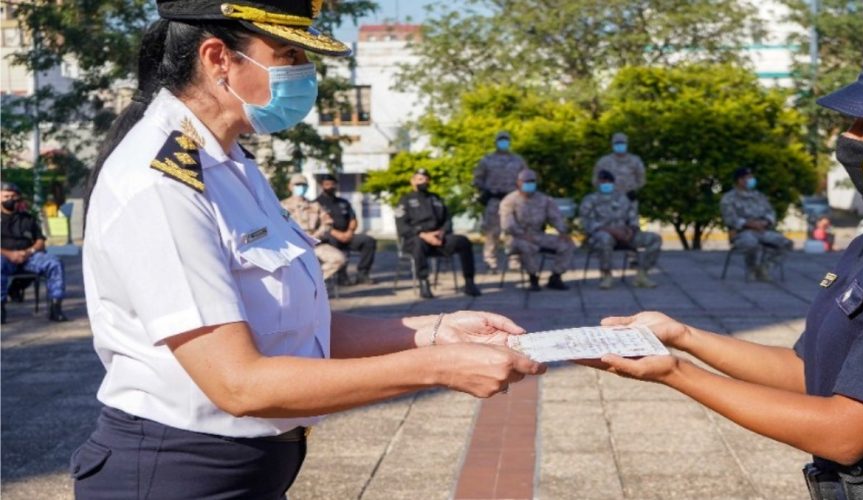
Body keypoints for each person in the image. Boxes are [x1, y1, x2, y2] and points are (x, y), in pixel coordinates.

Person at [74, 2, 543, 498]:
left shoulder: (231, 162)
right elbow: (238, 384)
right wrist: (438, 369)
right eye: (287, 53)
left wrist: (435, 332)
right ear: (218, 59)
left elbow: (290, 330)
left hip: (248, 469)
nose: (303, 72)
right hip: (179, 473)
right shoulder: (162, 182)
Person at [588, 28, 863, 499]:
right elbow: (807, 371)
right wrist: (682, 337)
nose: (849, 139)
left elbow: (845, 432)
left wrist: (675, 373)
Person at [395, 168, 482, 299]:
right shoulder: (405, 200)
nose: (423, 182)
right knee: (418, 243)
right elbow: (402, 226)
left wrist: (441, 233)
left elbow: (447, 220)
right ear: (412, 182)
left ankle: (469, 282)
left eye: (425, 179)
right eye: (420, 179)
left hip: (438, 239)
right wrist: (424, 235)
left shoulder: (436, 198)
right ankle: (424, 283)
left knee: (463, 241)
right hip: (417, 239)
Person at [580, 170, 661, 289]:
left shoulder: (623, 199)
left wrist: (631, 230)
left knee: (654, 239)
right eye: (603, 181)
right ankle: (606, 275)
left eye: (609, 181)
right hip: (601, 236)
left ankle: (642, 275)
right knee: (605, 238)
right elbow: (587, 223)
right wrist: (612, 231)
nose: (606, 184)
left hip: (625, 234)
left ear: (613, 183)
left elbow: (633, 218)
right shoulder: (590, 200)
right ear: (597, 183)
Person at [1, 182, 69, 323]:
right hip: (4, 257)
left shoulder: (27, 218)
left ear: (18, 198)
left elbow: (40, 241)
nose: (10, 199)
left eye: (13, 196)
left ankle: (55, 307)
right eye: (6, 196)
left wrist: (28, 252)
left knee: (54, 262)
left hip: (28, 256)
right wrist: (10, 254)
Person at [499, 169, 574, 291]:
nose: (529, 184)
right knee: (527, 246)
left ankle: (556, 276)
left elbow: (555, 217)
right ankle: (533, 278)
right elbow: (507, 224)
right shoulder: (509, 200)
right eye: (526, 181)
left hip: (538, 235)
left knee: (567, 244)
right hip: (516, 238)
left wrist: (563, 232)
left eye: (532, 181)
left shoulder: (544, 200)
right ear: (518, 182)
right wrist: (522, 235)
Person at [719, 167, 793, 281]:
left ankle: (765, 268)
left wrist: (766, 222)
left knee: (786, 243)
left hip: (762, 230)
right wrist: (749, 224)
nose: (752, 180)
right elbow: (730, 219)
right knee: (751, 243)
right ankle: (752, 269)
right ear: (740, 180)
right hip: (742, 233)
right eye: (749, 178)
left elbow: (770, 212)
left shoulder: (759, 196)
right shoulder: (729, 198)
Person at [473, 131, 528, 273]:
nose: (503, 142)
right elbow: (477, 179)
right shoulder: (486, 160)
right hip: (494, 199)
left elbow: (527, 178)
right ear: (496, 142)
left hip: (513, 200)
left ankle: (514, 261)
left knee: (514, 230)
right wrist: (487, 190)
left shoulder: (518, 160)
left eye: (506, 140)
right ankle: (490, 262)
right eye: (501, 140)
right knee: (492, 232)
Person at [281, 173, 346, 281]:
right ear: (290, 186)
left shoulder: (314, 205)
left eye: (303, 185)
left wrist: (316, 236)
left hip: (313, 244)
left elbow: (328, 223)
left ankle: (313, 281)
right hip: (293, 246)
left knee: (338, 259)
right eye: (297, 185)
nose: (300, 187)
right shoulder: (283, 206)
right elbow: (281, 224)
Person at [315, 173, 376, 285]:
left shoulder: (343, 202)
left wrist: (349, 232)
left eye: (333, 184)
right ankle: (342, 276)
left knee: (368, 241)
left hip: (347, 234)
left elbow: (353, 219)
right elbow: (319, 225)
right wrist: (336, 234)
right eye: (327, 184)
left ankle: (363, 274)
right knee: (333, 242)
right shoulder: (316, 203)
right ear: (322, 186)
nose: (330, 186)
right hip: (330, 236)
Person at [593, 132, 646, 206]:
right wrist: (605, 191)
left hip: (629, 198)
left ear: (626, 144)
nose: (620, 145)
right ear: (612, 144)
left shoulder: (635, 160)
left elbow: (641, 179)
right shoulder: (603, 161)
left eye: (622, 143)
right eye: (617, 143)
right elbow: (595, 180)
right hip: (608, 199)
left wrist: (632, 189)